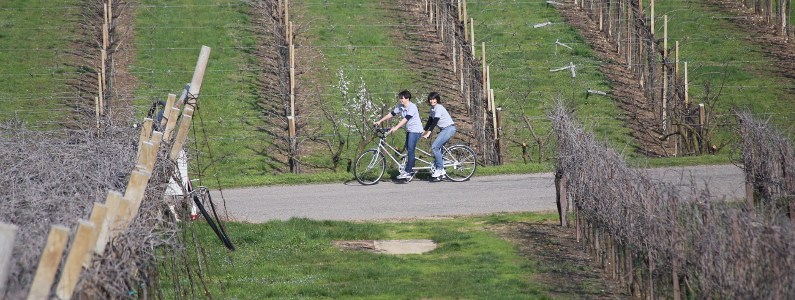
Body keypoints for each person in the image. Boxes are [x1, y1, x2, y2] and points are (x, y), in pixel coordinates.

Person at [375, 90, 424, 179]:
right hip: (409, 130)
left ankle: (408, 171)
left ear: (407, 99)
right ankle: (411, 170)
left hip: (416, 130)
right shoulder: (400, 107)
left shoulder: (412, 107)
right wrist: (380, 121)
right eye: (400, 98)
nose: (400, 100)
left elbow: (406, 119)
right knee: (409, 150)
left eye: (402, 98)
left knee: (410, 150)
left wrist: (396, 127)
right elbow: (391, 114)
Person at [422, 92, 456, 179]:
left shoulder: (439, 108)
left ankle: (440, 168)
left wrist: (428, 133)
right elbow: (430, 121)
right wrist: (423, 131)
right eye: (430, 99)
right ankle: (442, 171)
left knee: (435, 147)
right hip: (443, 129)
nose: (432, 101)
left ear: (437, 99)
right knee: (439, 150)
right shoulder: (432, 109)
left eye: (433, 99)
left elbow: (435, 122)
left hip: (448, 128)